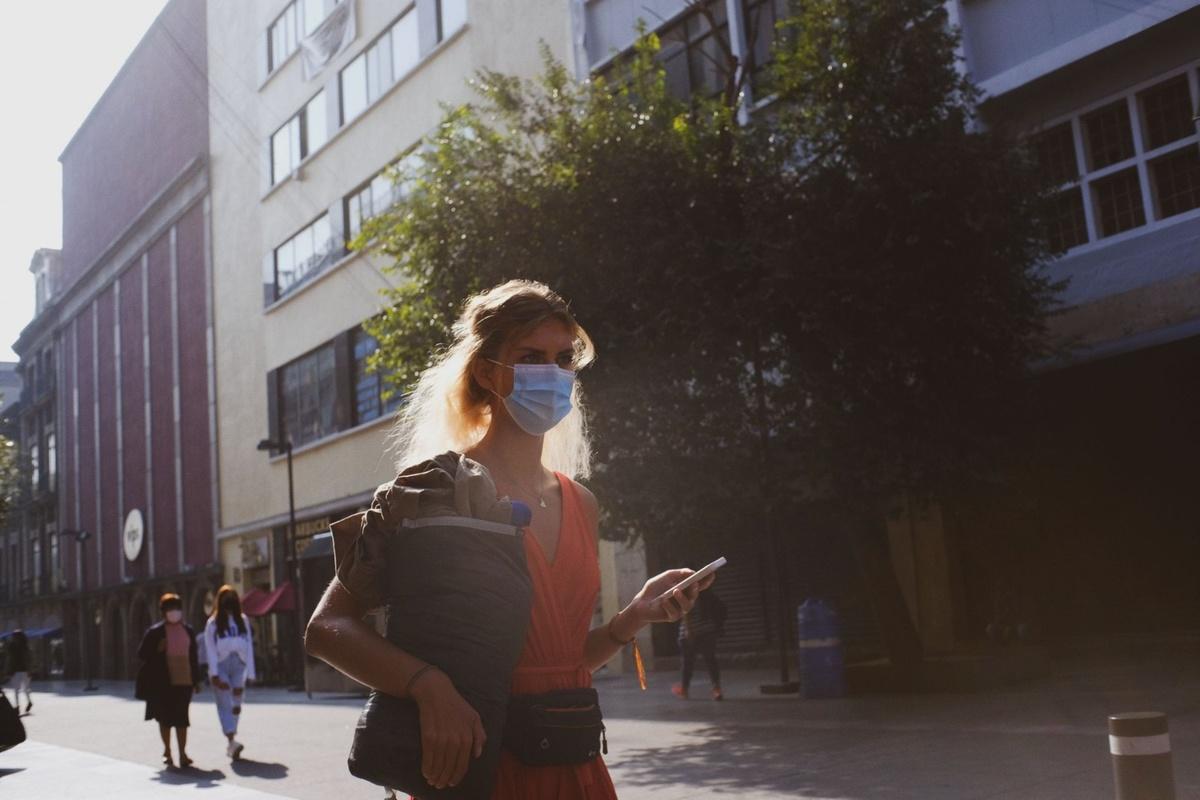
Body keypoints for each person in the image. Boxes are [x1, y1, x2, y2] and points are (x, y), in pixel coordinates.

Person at [306, 280, 716, 798]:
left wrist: (634, 616)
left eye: (564, 358)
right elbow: (326, 627)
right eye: (530, 356)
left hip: (579, 771)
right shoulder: (433, 489)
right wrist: (427, 685)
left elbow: (557, 665)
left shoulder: (581, 503)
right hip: (479, 770)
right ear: (486, 371)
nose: (553, 373)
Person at [136, 593, 201, 768]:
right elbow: (142, 654)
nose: (175, 612)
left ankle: (183, 754)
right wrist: (157, 649)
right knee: (165, 719)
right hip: (162, 682)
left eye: (177, 608)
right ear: (164, 612)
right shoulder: (155, 632)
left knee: (182, 719)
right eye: (170, 609)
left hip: (184, 681)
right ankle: (167, 751)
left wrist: (197, 680)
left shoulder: (188, 630)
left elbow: (193, 656)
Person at [203, 584, 256, 760]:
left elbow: (248, 646)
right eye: (226, 598)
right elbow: (210, 649)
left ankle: (231, 738)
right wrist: (214, 673)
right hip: (221, 664)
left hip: (239, 663)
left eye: (232, 597)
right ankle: (231, 739)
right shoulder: (212, 623)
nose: (229, 602)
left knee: (236, 703)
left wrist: (251, 673)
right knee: (224, 701)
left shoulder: (243, 620)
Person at [672, 588, 727, 700]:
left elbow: (685, 613)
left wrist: (688, 630)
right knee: (710, 660)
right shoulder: (706, 593)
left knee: (688, 663)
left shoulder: (686, 593)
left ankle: (684, 689)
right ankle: (717, 689)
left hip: (691, 632)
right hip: (707, 630)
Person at [6, 630, 32, 714]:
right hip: (17, 671)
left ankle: (28, 702)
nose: (14, 638)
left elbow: (28, 659)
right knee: (16, 690)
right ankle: (17, 706)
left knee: (25, 689)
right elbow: (10, 660)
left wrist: (29, 670)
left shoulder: (24, 647)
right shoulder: (12, 647)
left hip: (23, 670)